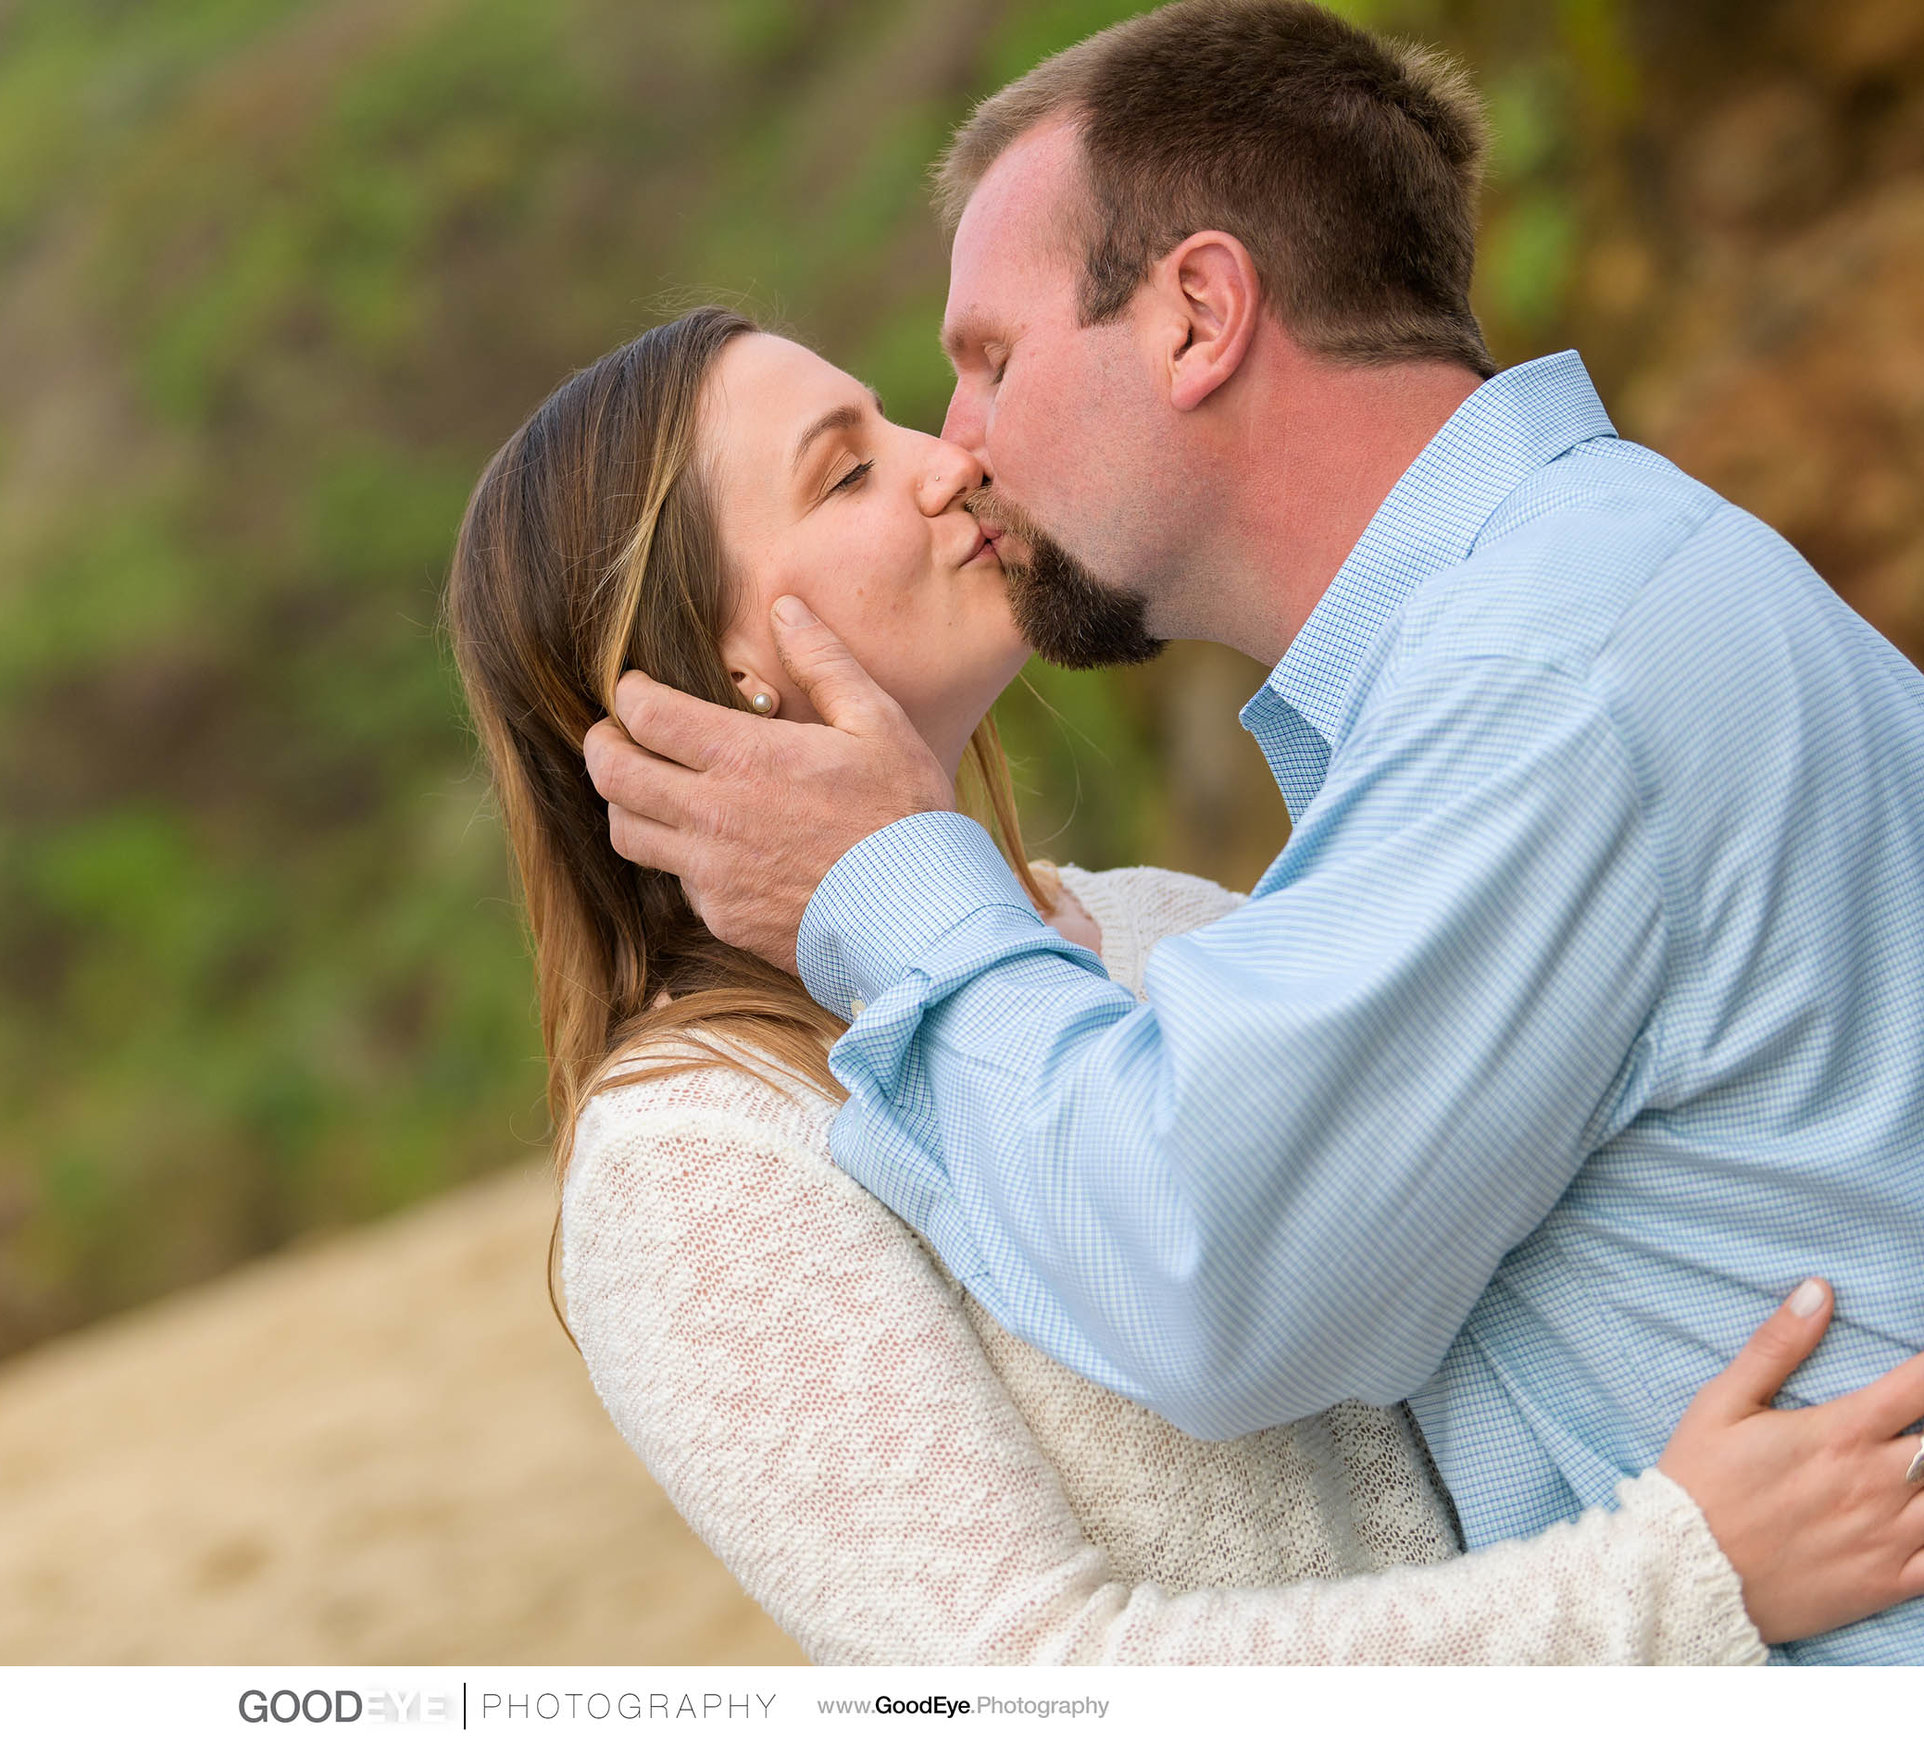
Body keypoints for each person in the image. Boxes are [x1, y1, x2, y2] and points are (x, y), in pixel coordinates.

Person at [581, 2, 1924, 1664]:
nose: (961, 451)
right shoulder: (1561, 619)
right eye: (853, 464)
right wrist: (1672, 1586)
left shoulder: (1534, 684)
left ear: (1202, 313)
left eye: (989, 360)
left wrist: (888, 888)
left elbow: (1210, 1268)